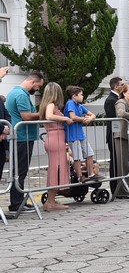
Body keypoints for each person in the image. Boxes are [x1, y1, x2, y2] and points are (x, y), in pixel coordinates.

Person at [6, 72, 45, 214]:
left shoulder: (16, 92)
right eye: (38, 86)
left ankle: (18, 201)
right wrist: (44, 113)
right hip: (22, 137)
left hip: (22, 136)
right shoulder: (21, 95)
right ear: (33, 82)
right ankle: (16, 203)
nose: (38, 89)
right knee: (20, 170)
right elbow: (26, 116)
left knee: (18, 170)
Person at [39, 82, 74, 211]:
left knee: (55, 169)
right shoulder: (51, 105)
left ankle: (51, 201)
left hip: (54, 138)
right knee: (56, 170)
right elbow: (49, 116)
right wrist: (65, 119)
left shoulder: (48, 105)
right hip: (55, 138)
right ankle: (51, 202)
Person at [64, 85, 102, 182]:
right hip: (72, 134)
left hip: (80, 134)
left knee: (89, 153)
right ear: (74, 96)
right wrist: (83, 119)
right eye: (81, 95)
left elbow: (92, 114)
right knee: (76, 156)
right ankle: (80, 176)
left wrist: (90, 119)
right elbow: (72, 116)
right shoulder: (70, 103)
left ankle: (91, 174)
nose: (82, 96)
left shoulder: (79, 105)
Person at [104, 76, 123, 195]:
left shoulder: (117, 98)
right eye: (122, 84)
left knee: (121, 161)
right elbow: (114, 119)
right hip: (114, 134)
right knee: (115, 161)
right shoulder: (111, 100)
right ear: (116, 86)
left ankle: (122, 186)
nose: (123, 86)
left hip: (119, 134)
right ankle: (115, 187)